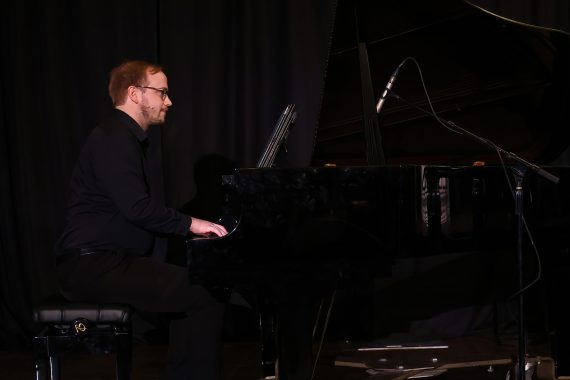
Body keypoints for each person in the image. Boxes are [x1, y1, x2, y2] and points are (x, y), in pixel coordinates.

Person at [55, 60, 228, 380]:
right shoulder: (115, 137)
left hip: (104, 262)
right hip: (93, 266)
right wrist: (194, 224)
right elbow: (137, 208)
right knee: (204, 292)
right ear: (134, 93)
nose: (169, 101)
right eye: (162, 92)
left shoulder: (119, 136)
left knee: (194, 291)